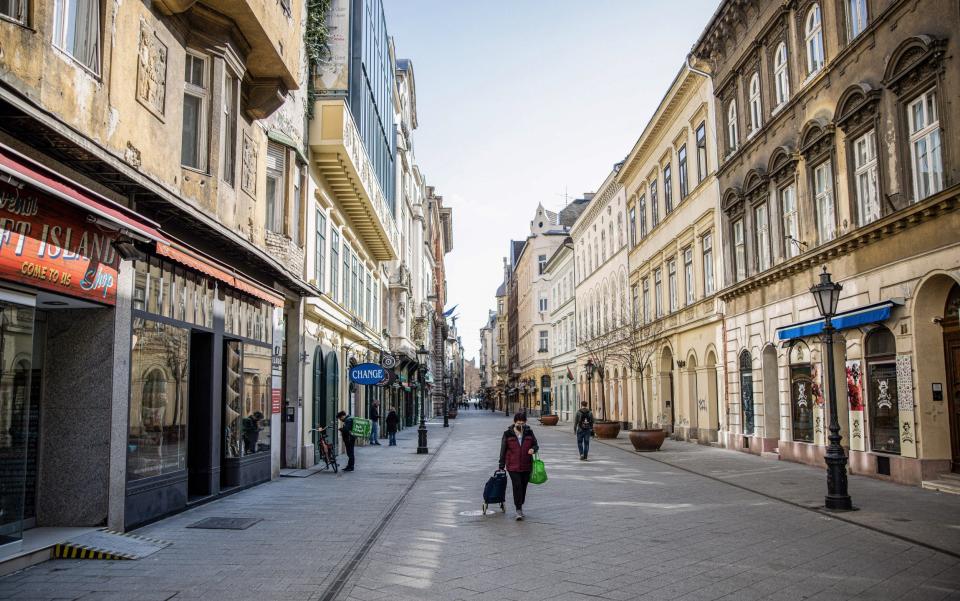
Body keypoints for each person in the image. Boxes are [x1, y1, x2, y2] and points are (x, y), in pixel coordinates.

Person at [498, 412, 539, 520]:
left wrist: (533, 449)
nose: (520, 423)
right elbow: (503, 450)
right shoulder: (507, 434)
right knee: (517, 486)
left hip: (526, 465)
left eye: (523, 422)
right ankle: (518, 509)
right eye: (518, 422)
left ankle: (520, 504)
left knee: (523, 486)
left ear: (525, 422)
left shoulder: (529, 432)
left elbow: (536, 445)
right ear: (514, 422)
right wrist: (501, 465)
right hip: (512, 465)